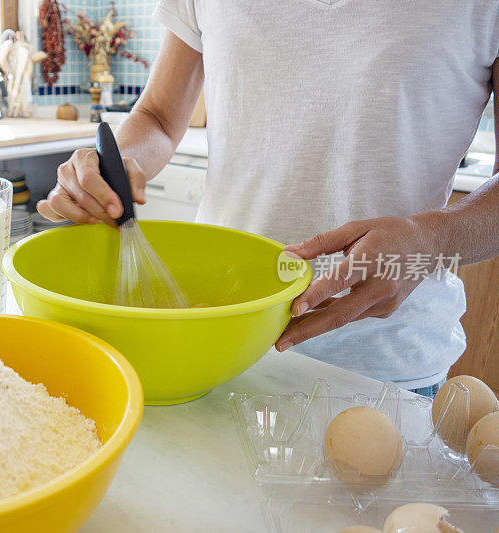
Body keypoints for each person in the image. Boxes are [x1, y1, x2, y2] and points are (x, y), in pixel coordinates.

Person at [38, 0, 499, 397]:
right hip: (210, 347)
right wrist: (114, 165)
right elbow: (158, 116)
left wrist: (430, 238)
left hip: (382, 367)